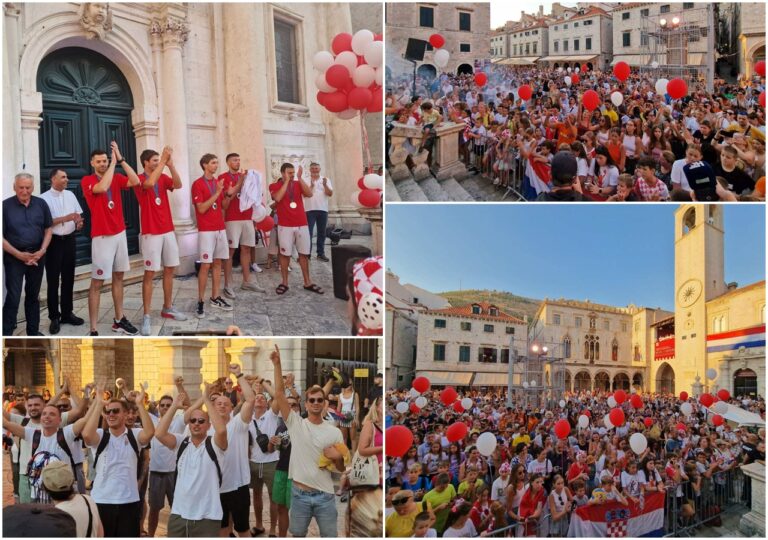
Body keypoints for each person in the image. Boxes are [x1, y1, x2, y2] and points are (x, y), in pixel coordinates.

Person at [270, 344, 347, 537]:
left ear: (324, 403)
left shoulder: (334, 431)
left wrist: (337, 456)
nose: (315, 403)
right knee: (297, 535)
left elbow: (341, 468)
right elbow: (279, 394)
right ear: (306, 403)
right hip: (299, 494)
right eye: (311, 400)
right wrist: (277, 365)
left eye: (319, 400)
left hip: (326, 496)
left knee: (330, 536)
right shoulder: (296, 424)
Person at [81, 142, 141, 336]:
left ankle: (119, 318)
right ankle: (93, 327)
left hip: (120, 233)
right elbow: (103, 186)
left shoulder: (116, 176)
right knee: (97, 282)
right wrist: (113, 165)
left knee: (119, 276)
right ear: (92, 163)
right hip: (102, 236)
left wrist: (121, 160)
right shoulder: (87, 180)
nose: (103, 164)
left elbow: (135, 181)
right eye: (99, 161)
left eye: (105, 161)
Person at [81, 383, 155, 537]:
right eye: (108, 412)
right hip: (102, 500)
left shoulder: (134, 435)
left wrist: (140, 405)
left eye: (115, 411)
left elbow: (149, 433)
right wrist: (99, 405)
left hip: (129, 501)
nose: (111, 414)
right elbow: (87, 435)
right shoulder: (101, 435)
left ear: (126, 414)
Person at [154, 387, 228, 537]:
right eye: (192, 420)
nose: (196, 423)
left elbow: (221, 431)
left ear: (208, 425)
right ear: (188, 424)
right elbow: (159, 433)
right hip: (179, 515)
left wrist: (207, 400)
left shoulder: (214, 445)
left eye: (201, 421)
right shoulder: (181, 442)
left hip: (207, 517)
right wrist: (174, 406)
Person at [134, 146, 188, 335]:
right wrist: (163, 162)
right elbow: (149, 184)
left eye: (159, 160)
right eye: (155, 160)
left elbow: (179, 184)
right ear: (146, 163)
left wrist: (171, 166)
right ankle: (147, 315)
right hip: (151, 232)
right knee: (149, 273)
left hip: (168, 230)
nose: (158, 163)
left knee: (170, 269)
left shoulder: (163, 177)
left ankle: (167, 307)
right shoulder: (139, 179)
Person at [2, 172, 53, 336]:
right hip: (14, 258)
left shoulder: (41, 204)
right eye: (21, 187)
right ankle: (6, 334)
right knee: (14, 297)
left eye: (28, 187)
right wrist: (19, 255)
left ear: (33, 187)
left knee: (33, 296)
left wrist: (42, 251)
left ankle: (33, 331)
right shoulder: (5, 206)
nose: (24, 191)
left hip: (38, 256)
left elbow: (48, 229)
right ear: (14, 187)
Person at [39, 169, 85, 334]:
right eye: (63, 177)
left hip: (70, 240)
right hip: (53, 243)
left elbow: (78, 216)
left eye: (66, 176)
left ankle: (67, 313)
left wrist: (79, 223)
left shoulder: (71, 195)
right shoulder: (42, 199)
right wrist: (67, 218)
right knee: (53, 281)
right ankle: (54, 317)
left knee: (69, 279)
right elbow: (45, 223)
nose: (67, 179)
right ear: (53, 178)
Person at [269, 164, 324, 296]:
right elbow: (277, 198)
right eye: (289, 173)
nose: (292, 175)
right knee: (284, 254)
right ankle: (284, 282)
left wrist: (299, 178)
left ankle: (307, 282)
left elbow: (309, 194)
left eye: (293, 172)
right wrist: (287, 181)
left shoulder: (298, 183)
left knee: (304, 254)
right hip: (285, 225)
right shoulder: (274, 186)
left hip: (301, 223)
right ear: (282, 173)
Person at [192, 153, 232, 318]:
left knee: (218, 264)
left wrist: (228, 194)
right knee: (205, 265)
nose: (216, 165)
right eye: (213, 163)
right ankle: (200, 300)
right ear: (204, 165)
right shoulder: (197, 184)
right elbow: (201, 209)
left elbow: (222, 206)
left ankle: (215, 297)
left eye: (217, 162)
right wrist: (217, 193)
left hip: (220, 228)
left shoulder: (217, 183)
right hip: (206, 230)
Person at [220, 153, 264, 299]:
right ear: (228, 162)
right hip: (232, 218)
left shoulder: (247, 176)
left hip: (247, 217)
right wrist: (240, 182)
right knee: (230, 251)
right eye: (234, 160)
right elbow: (227, 198)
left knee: (246, 249)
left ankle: (247, 281)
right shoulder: (223, 178)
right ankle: (228, 284)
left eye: (239, 159)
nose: (237, 162)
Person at [147, 387, 189, 538]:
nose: (165, 407)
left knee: (177, 508)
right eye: (162, 405)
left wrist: (181, 389)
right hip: (156, 472)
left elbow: (189, 407)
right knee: (154, 509)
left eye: (168, 405)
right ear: (158, 407)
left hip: (173, 472)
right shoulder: (152, 420)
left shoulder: (178, 421)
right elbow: (136, 407)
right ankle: (151, 535)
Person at [247, 383, 281, 537]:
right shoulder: (248, 418)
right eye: (257, 397)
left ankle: (273, 528)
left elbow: (278, 397)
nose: (259, 399)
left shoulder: (271, 415)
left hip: (271, 462)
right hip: (254, 462)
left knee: (274, 498)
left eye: (262, 398)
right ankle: (259, 525)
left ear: (267, 403)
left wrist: (264, 384)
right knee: (256, 495)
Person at [41, 461, 103, 537]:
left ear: (45, 488)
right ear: (72, 481)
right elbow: (100, 534)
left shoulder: (52, 517)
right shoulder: (88, 500)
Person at [303, 162, 333, 262]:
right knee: (309, 233)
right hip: (309, 209)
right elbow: (305, 195)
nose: (315, 170)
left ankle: (320, 253)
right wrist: (311, 186)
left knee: (322, 232)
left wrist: (324, 185)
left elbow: (330, 193)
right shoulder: (305, 180)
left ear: (319, 169)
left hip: (323, 209)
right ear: (310, 170)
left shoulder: (326, 179)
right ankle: (307, 254)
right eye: (313, 168)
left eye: (316, 168)